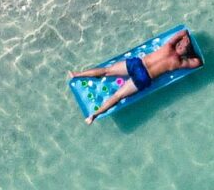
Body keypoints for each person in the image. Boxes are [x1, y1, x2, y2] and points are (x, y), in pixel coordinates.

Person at [70, 29, 202, 123]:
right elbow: (183, 33)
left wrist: (187, 45)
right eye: (181, 43)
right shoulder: (169, 46)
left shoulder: (179, 62)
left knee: (117, 96)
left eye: (184, 46)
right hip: (137, 64)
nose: (181, 44)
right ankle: (77, 75)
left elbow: (197, 62)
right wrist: (186, 40)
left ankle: (93, 115)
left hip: (144, 77)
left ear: (187, 52)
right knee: (107, 71)